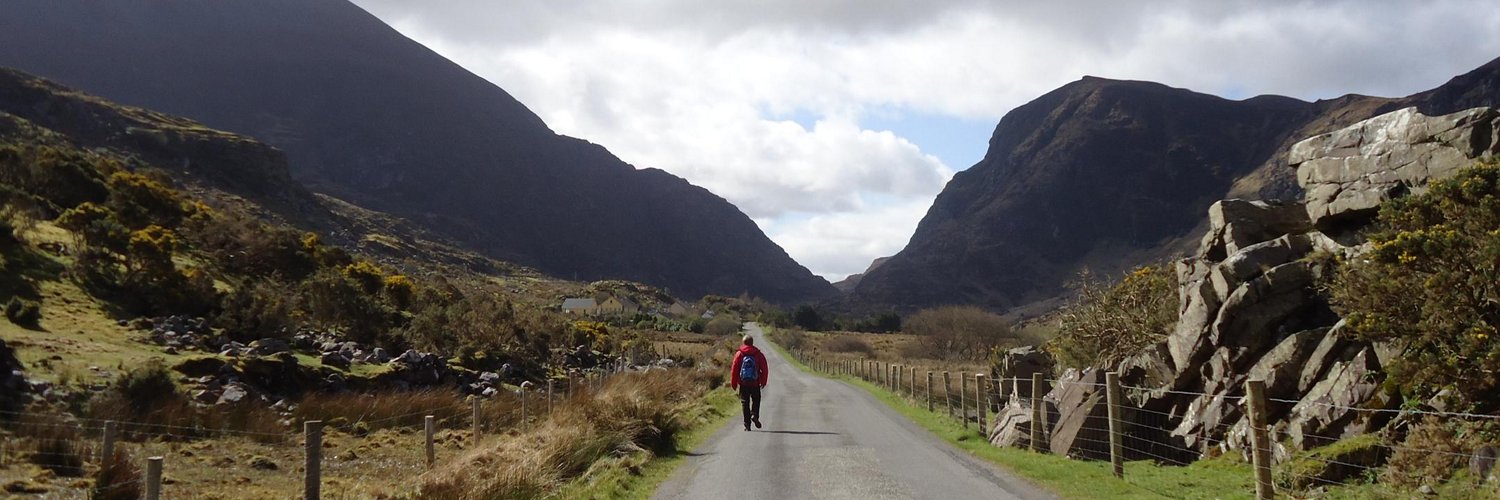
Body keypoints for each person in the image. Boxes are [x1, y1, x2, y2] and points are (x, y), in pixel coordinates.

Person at [730, 334, 769, 431]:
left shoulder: (739, 354)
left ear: (743, 343)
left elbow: (734, 369)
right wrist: (763, 381)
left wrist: (734, 383)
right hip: (755, 383)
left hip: (743, 383)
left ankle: (747, 425)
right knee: (756, 400)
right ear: (752, 343)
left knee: (745, 403)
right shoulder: (758, 354)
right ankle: (754, 415)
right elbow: (764, 369)